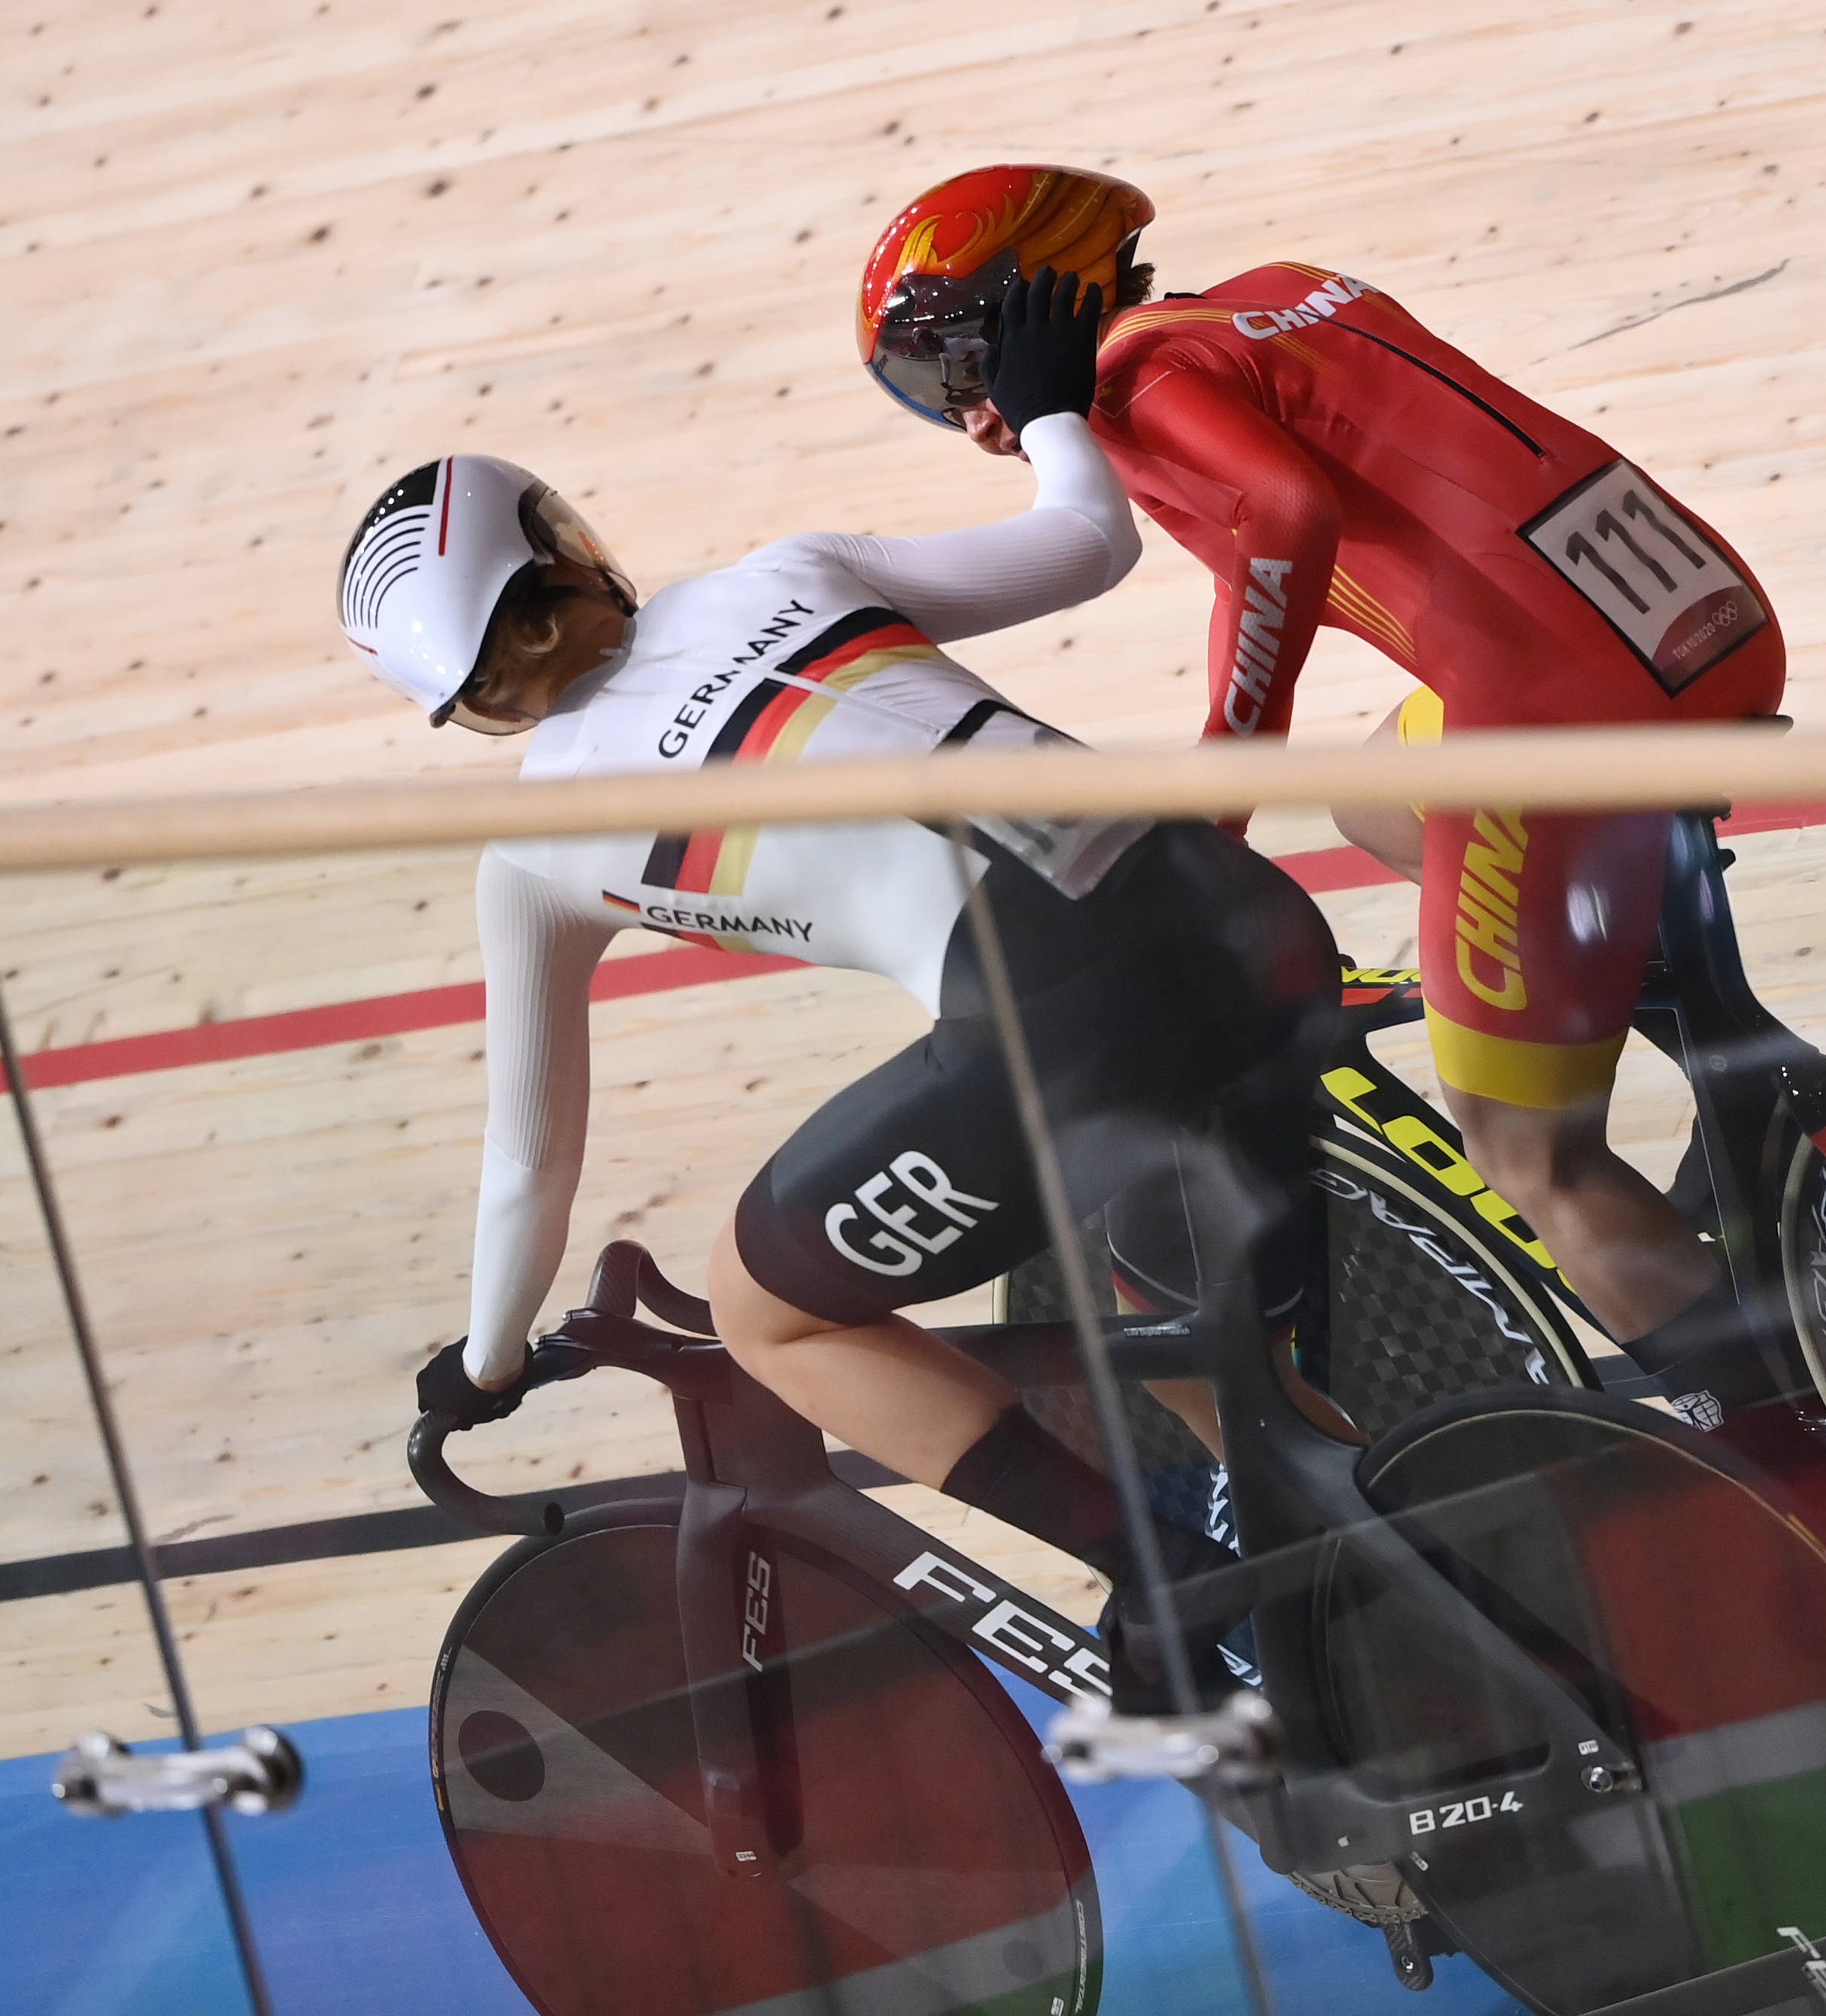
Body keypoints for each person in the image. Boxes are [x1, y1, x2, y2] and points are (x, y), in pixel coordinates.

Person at [345, 271, 1336, 1708]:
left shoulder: (535, 857)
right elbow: (1088, 538)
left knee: (768, 1308)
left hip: (1059, 1017)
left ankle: (1166, 1580)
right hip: (1240, 914)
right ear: (566, 547)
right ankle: (1388, 1537)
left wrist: (487, 1361)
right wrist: (1050, 403)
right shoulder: (786, 575)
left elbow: (529, 1160)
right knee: (1189, 1311)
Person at [858, 165, 1795, 1434]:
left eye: (970, 369)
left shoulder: (1139, 385)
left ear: (1044, 311)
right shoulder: (1280, 294)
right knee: (1376, 808)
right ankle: (1740, 1085)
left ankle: (1812, 1459)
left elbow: (1282, 515)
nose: (974, 422)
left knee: (1533, 1158)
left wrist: (1230, 776)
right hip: (1704, 626)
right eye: (935, 397)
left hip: (1561, 722)